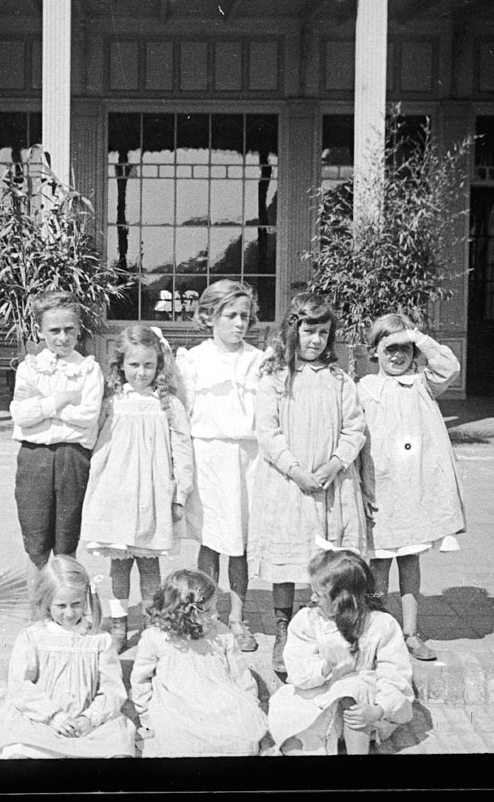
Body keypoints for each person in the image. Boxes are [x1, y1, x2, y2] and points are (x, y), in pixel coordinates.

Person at [255, 292, 369, 677]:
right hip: (291, 485)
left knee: (328, 560)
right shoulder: (275, 380)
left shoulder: (340, 380)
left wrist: (335, 464)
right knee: (289, 559)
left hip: (331, 484)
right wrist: (296, 470)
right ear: (293, 330)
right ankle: (283, 630)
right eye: (308, 331)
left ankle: (328, 627)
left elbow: (355, 428)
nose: (315, 340)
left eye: (323, 332)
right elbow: (267, 432)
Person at [355, 313, 468, 663]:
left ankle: (410, 632)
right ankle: (374, 634)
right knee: (377, 566)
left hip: (413, 489)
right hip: (380, 487)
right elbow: (356, 439)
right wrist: (361, 486)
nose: (397, 356)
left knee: (409, 561)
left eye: (404, 349)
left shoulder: (422, 384)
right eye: (389, 349)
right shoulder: (364, 389)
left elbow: (449, 366)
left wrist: (417, 336)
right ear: (374, 352)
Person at [79, 325, 195, 650]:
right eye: (134, 365)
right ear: (120, 365)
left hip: (152, 498)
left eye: (148, 365)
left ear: (159, 365)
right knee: (118, 565)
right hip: (117, 496)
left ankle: (151, 626)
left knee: (149, 566)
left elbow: (183, 450)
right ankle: (118, 626)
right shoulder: (111, 402)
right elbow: (93, 443)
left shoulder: (168, 404)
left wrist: (179, 494)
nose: (141, 372)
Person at [178, 279, 270, 653]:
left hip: (248, 458)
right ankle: (205, 613)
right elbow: (182, 415)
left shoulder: (259, 360)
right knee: (211, 540)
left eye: (245, 316)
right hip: (209, 457)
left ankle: (238, 616)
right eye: (230, 315)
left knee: (241, 543)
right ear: (208, 317)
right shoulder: (193, 359)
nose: (239, 323)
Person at [0, 556, 139, 758]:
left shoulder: (99, 640)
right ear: (47, 602)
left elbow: (112, 688)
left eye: (76, 604)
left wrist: (91, 717)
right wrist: (55, 717)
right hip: (41, 720)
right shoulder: (33, 637)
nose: (70, 613)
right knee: (19, 752)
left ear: (86, 599)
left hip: (86, 722)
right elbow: (21, 686)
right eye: (61, 606)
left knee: (119, 749)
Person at [268, 550, 417, 756]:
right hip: (317, 696)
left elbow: (395, 676)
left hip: (362, 707)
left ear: (345, 599)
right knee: (289, 728)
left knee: (351, 688)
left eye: (319, 595)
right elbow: (297, 669)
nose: (312, 599)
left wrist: (379, 709)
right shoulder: (308, 621)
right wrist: (324, 666)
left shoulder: (381, 625)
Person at [8, 290, 106, 577]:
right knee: (36, 545)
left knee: (66, 541)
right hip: (34, 458)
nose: (62, 337)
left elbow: (88, 417)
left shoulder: (88, 369)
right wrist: (60, 400)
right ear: (41, 331)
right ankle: (38, 616)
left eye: (69, 330)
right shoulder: (30, 368)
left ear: (78, 329)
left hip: (73, 459)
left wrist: (45, 408)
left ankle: (66, 614)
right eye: (54, 330)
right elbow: (21, 415)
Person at [130, 570, 270, 757]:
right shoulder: (155, 638)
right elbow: (140, 680)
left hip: (220, 701)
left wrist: (249, 706)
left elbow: (241, 675)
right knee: (178, 742)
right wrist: (146, 717)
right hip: (177, 704)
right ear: (185, 613)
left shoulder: (221, 633)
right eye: (209, 610)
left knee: (241, 737)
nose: (217, 614)